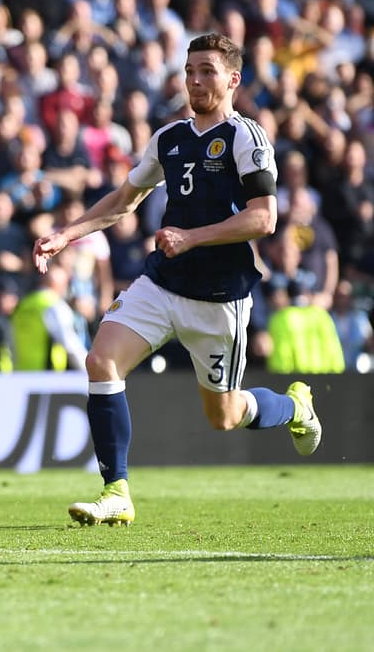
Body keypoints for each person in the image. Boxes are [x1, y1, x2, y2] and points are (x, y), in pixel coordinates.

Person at [32, 33, 323, 527]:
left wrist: (191, 237)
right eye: (190, 70)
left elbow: (265, 219)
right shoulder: (168, 139)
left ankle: (295, 406)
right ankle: (116, 491)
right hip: (162, 284)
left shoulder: (245, 136)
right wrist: (68, 234)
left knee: (224, 416)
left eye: (207, 70)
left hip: (219, 298)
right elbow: (125, 200)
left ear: (233, 79)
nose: (195, 79)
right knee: (101, 361)